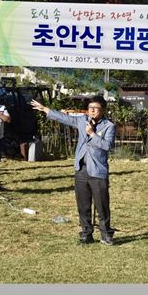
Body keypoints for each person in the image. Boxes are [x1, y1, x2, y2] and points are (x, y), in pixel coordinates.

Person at [31, 96, 117, 246]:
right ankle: (86, 233)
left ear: (102, 110)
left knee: (102, 204)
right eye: (90, 108)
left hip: (97, 171)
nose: (92, 111)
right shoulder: (82, 120)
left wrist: (91, 134)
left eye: (96, 108)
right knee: (83, 204)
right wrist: (45, 109)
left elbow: (107, 146)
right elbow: (65, 118)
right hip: (81, 169)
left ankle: (106, 234)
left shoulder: (109, 126)